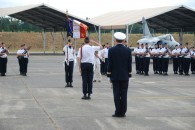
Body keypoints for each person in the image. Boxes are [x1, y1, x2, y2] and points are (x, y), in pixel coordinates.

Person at [107, 32, 132, 117]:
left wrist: (109, 75)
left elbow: (110, 64)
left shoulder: (111, 50)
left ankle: (118, 112)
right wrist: (129, 75)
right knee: (124, 95)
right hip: (125, 76)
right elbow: (129, 64)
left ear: (115, 40)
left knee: (116, 95)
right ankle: (123, 112)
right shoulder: (128, 50)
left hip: (115, 76)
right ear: (124, 40)